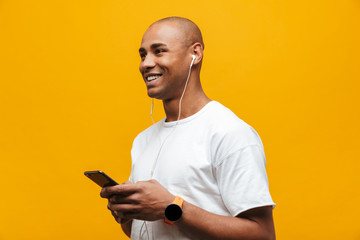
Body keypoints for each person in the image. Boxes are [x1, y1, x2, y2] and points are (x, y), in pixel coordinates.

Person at [100, 17, 276, 240]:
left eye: (159, 51)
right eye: (143, 54)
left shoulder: (229, 133)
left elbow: (263, 235)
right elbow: (149, 230)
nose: (145, 63)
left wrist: (171, 207)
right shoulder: (142, 141)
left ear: (195, 54)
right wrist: (129, 215)